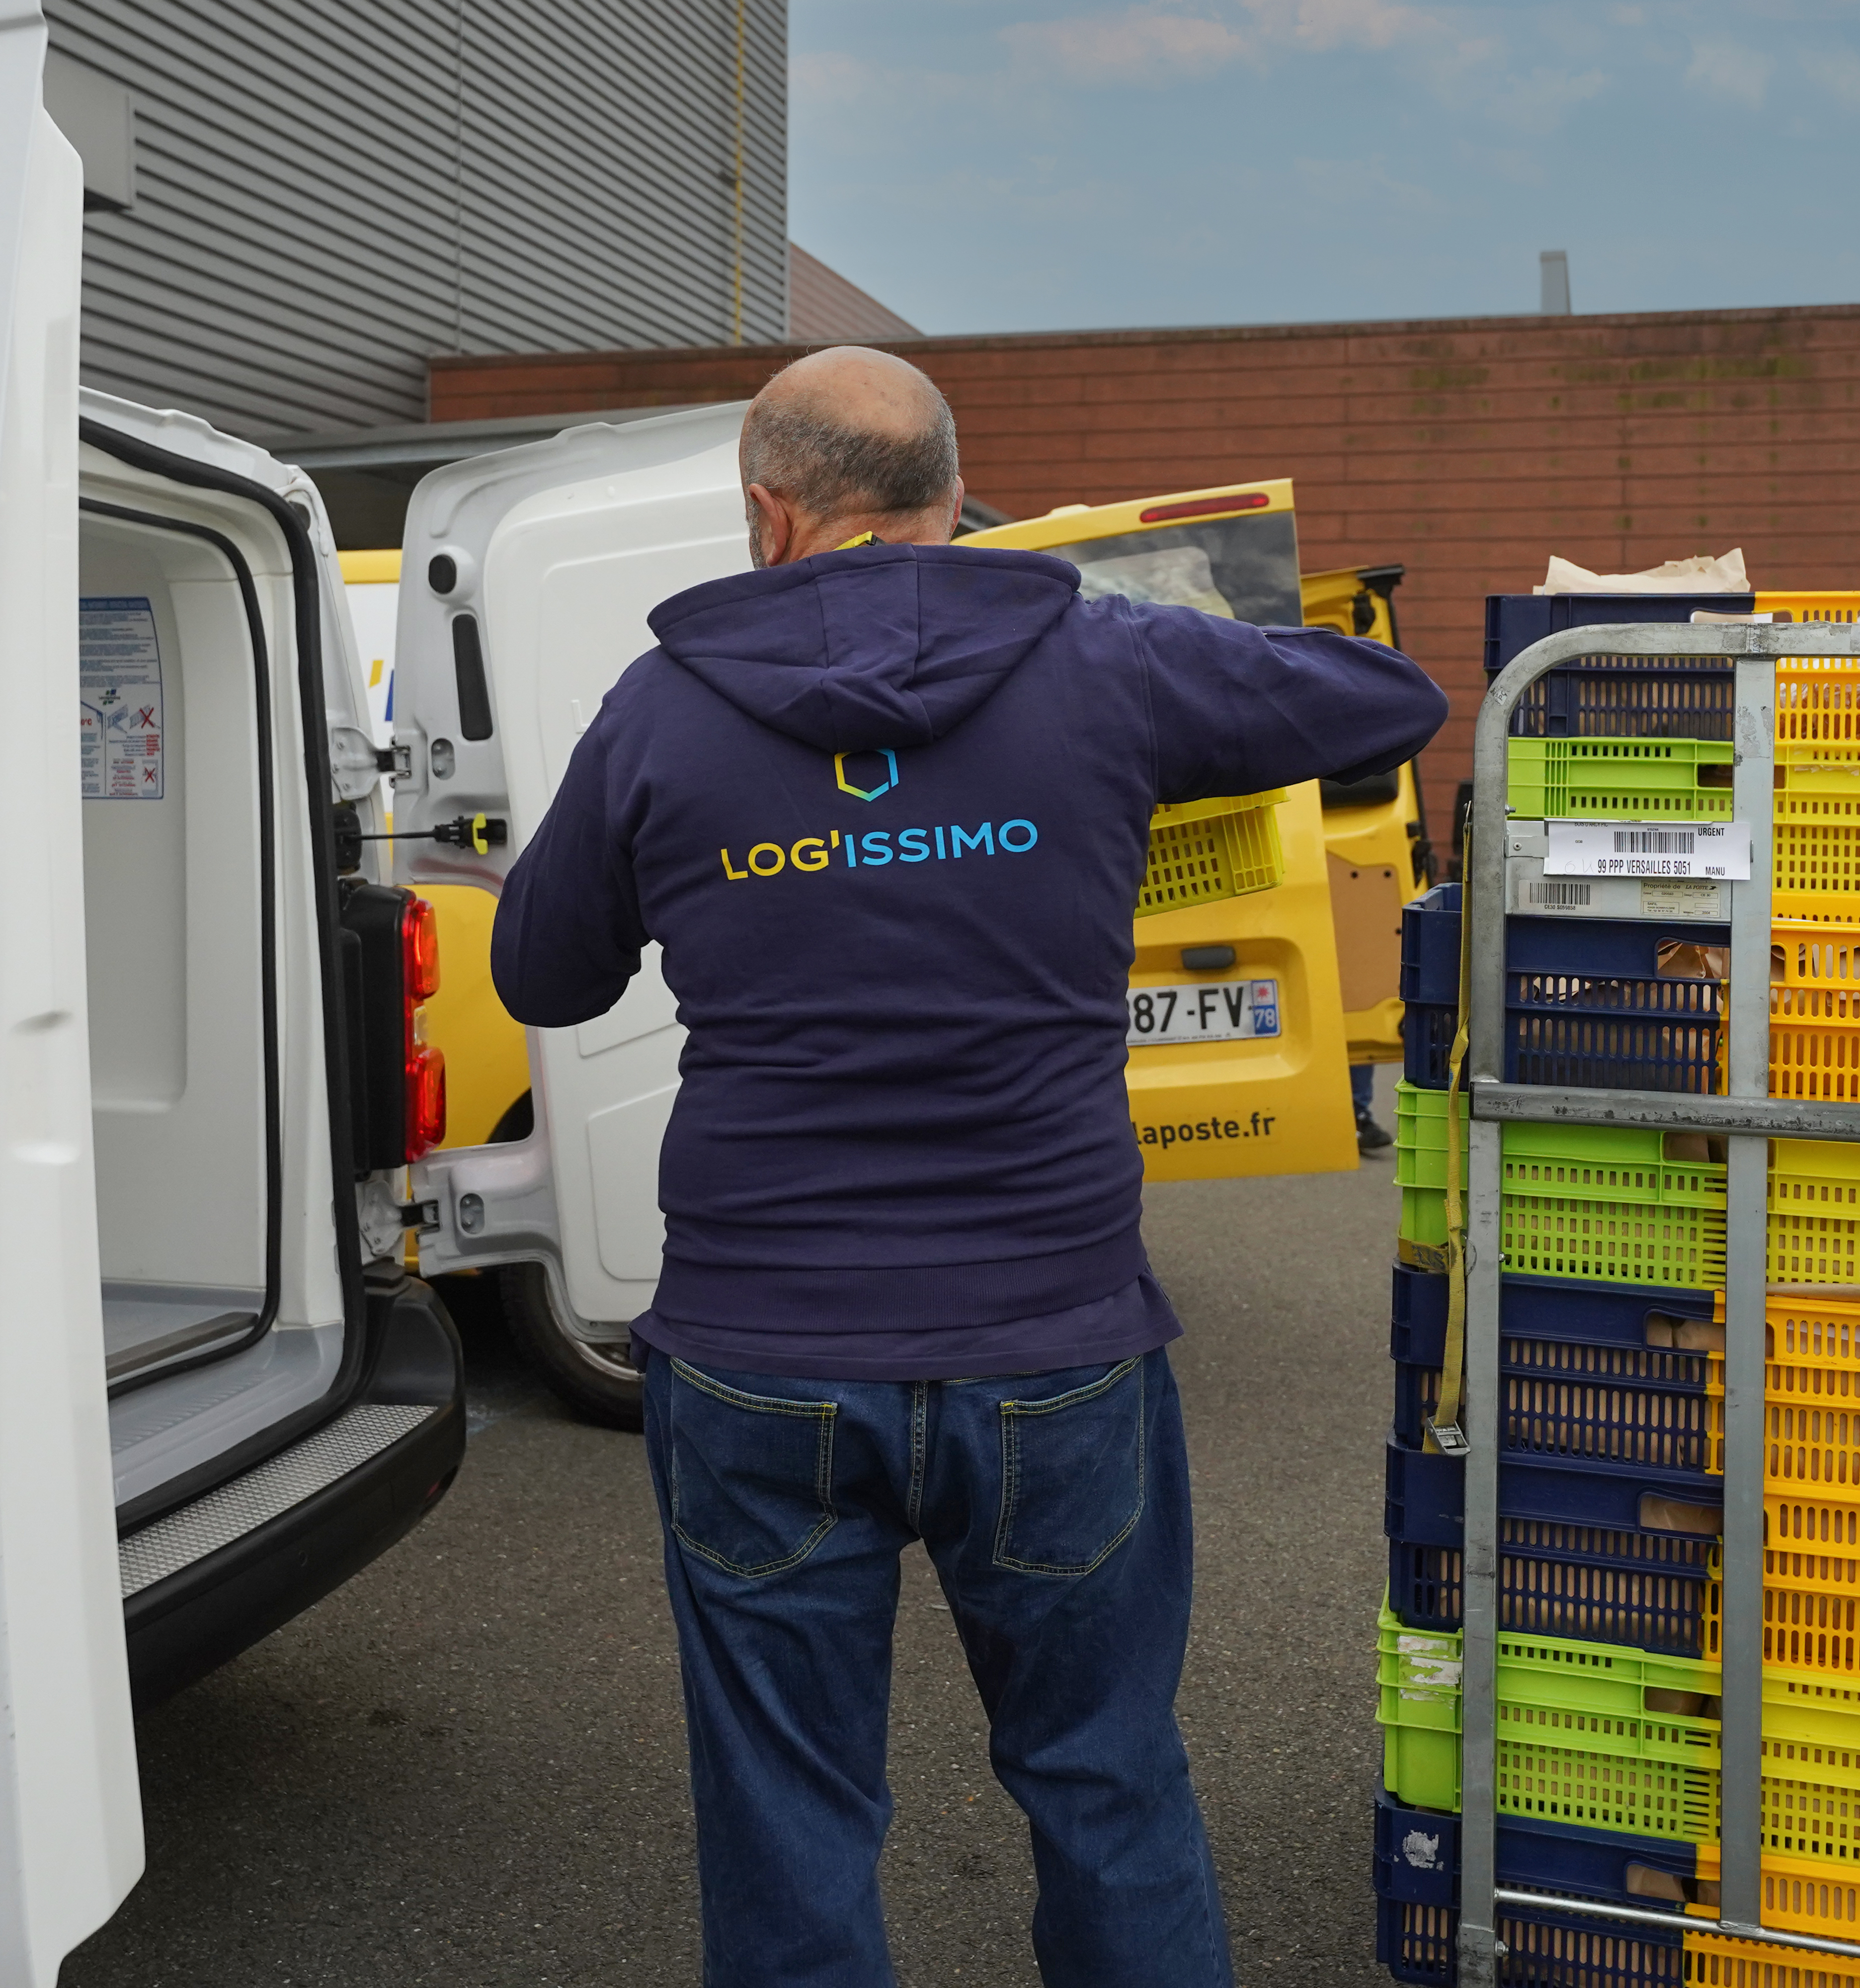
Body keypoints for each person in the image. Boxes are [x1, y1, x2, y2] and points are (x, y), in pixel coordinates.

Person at [492, 347, 1447, 1987]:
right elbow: (1388, 701)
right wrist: (1096, 623)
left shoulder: (660, 707)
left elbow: (542, 976)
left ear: (767, 512)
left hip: (762, 1348)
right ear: (952, 500)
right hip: (1056, 1340)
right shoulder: (1095, 657)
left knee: (789, 1805)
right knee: (1103, 1774)